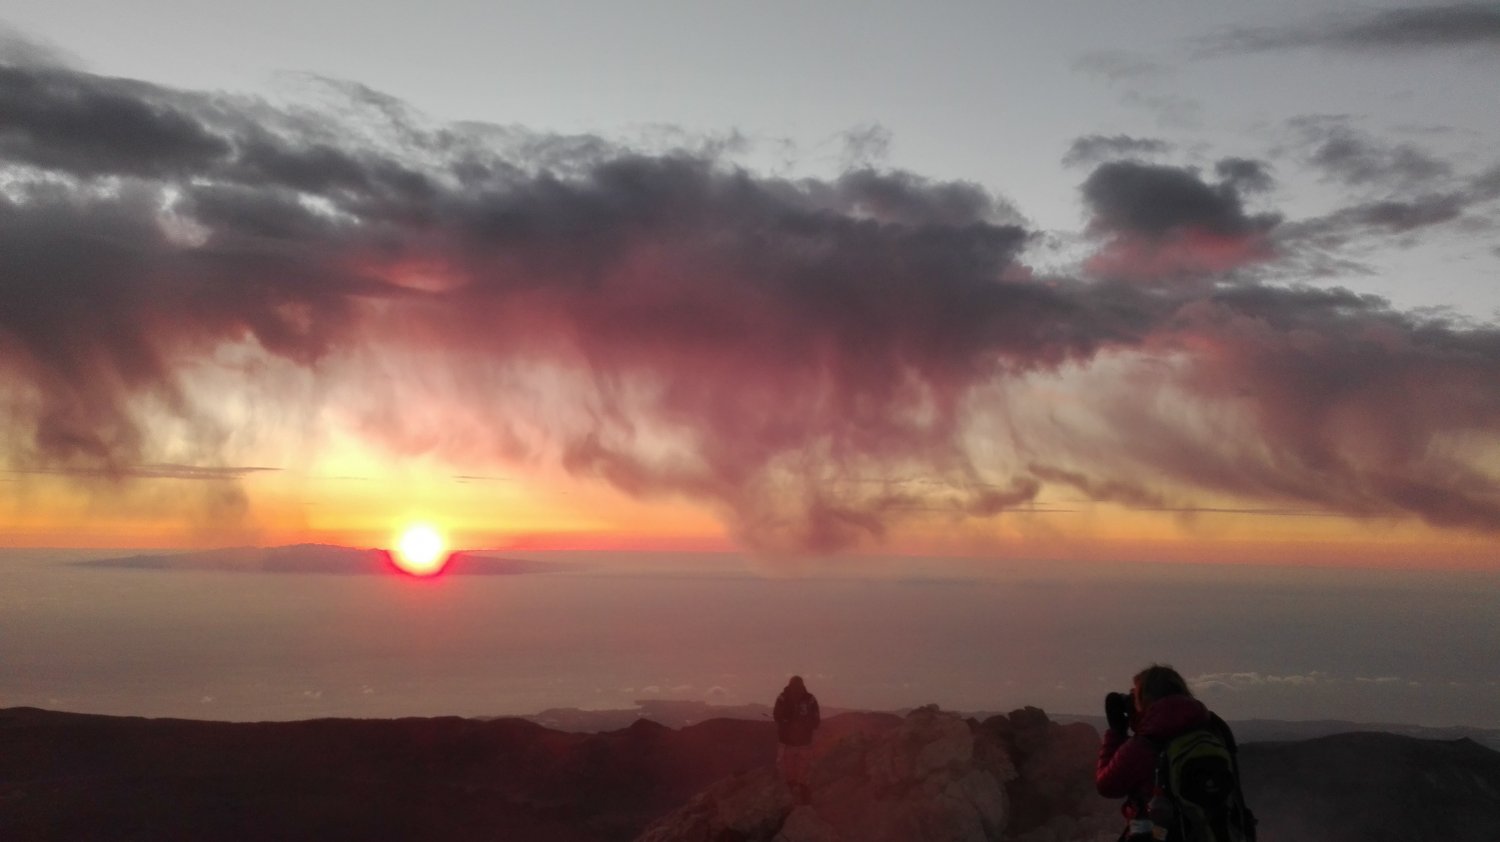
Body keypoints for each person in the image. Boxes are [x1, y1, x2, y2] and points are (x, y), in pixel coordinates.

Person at [1097, 664, 1251, 840]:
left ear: (1145, 699)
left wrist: (1116, 731)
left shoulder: (1146, 744)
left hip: (1158, 834)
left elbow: (1107, 786)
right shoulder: (1213, 728)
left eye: (1135, 695)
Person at [773, 675, 820, 805]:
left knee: (801, 775)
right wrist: (788, 720)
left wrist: (803, 724)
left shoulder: (809, 699)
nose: (796, 689)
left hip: (800, 743)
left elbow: (816, 721)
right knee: (789, 774)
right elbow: (777, 716)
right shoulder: (784, 698)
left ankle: (803, 802)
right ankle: (791, 802)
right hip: (789, 743)